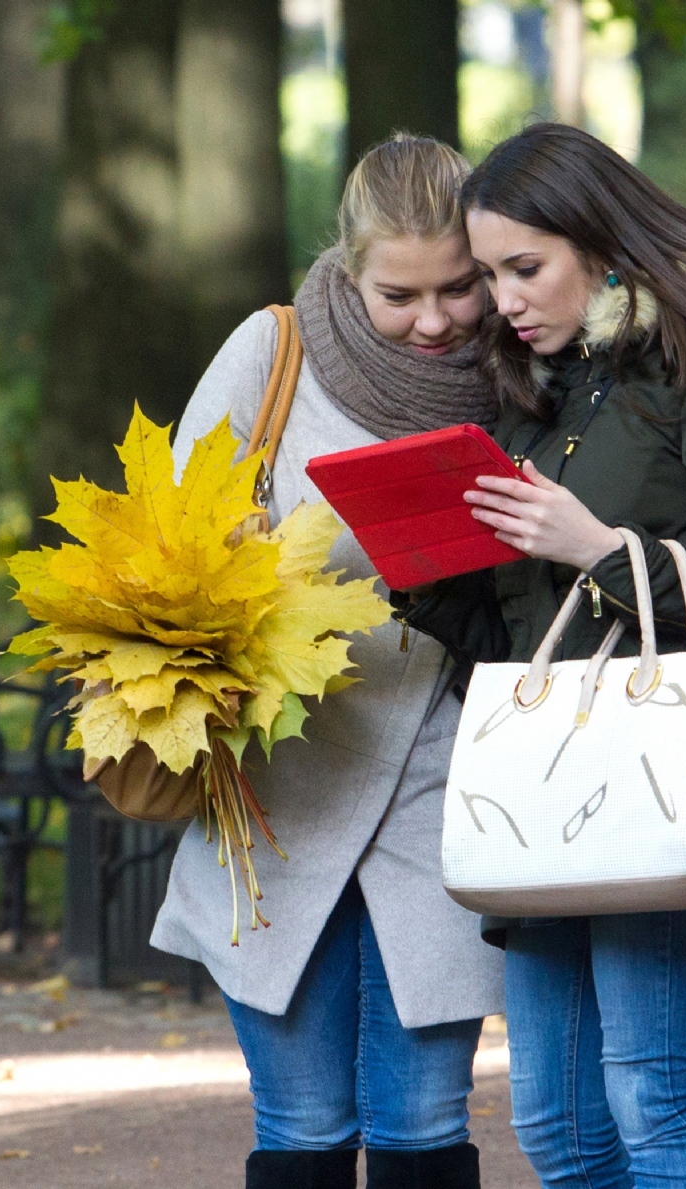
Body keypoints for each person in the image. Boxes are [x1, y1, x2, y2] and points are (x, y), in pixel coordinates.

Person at [393, 122, 686, 1188]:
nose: (501, 299)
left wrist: (599, 548)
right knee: (558, 1127)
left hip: (653, 770)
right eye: (488, 274)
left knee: (648, 1094)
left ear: (602, 244)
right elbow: (525, 634)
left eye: (522, 268)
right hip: (539, 790)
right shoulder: (540, 389)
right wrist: (423, 572)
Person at [149, 134, 503, 1189]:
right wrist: (245, 562)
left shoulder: (518, 361)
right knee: (301, 1121)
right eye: (400, 294)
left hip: (446, 767)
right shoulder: (274, 351)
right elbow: (170, 544)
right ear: (349, 270)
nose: (434, 320)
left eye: (458, 288)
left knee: (422, 1119)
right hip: (281, 774)